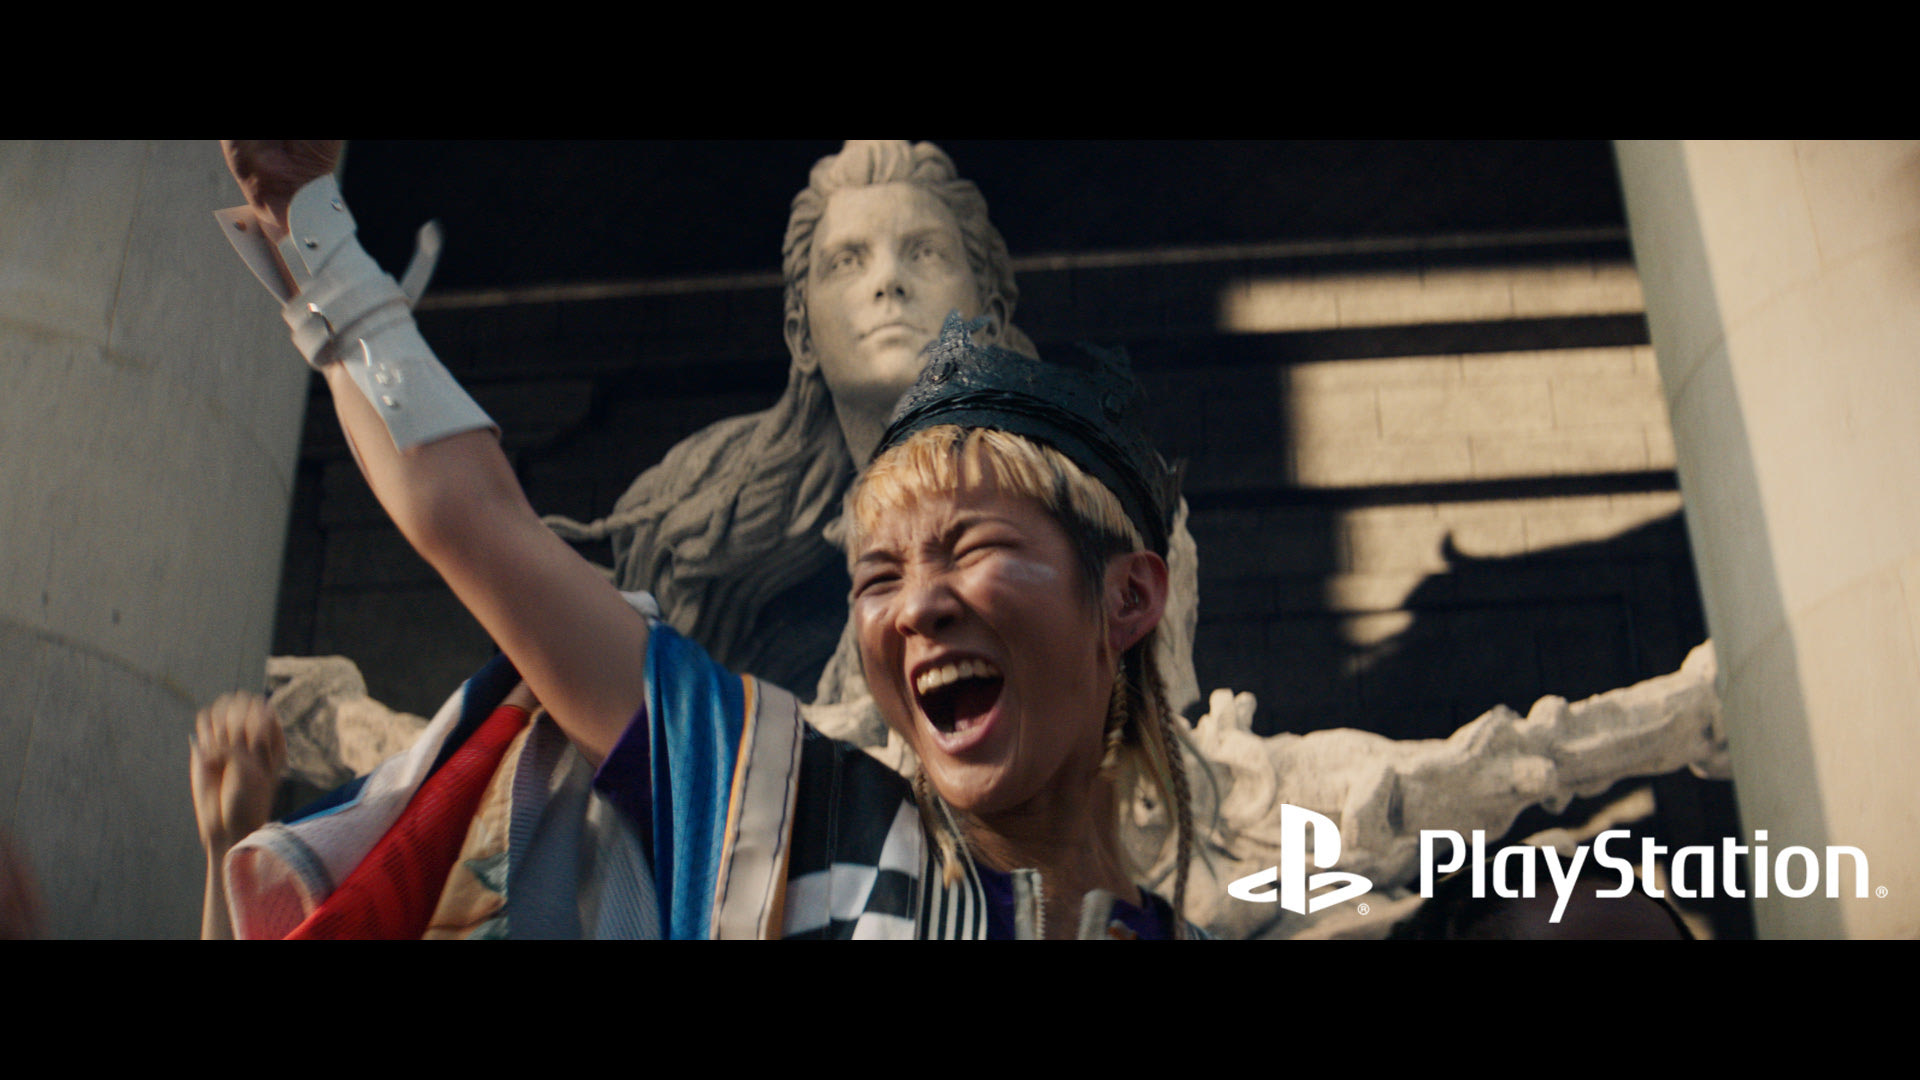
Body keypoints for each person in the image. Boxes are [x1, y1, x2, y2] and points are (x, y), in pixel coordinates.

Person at [207, 141, 1201, 938]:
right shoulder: (777, 805)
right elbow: (478, 521)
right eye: (877, 575)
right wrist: (312, 227)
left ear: (1129, 596)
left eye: (971, 546)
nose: (915, 607)